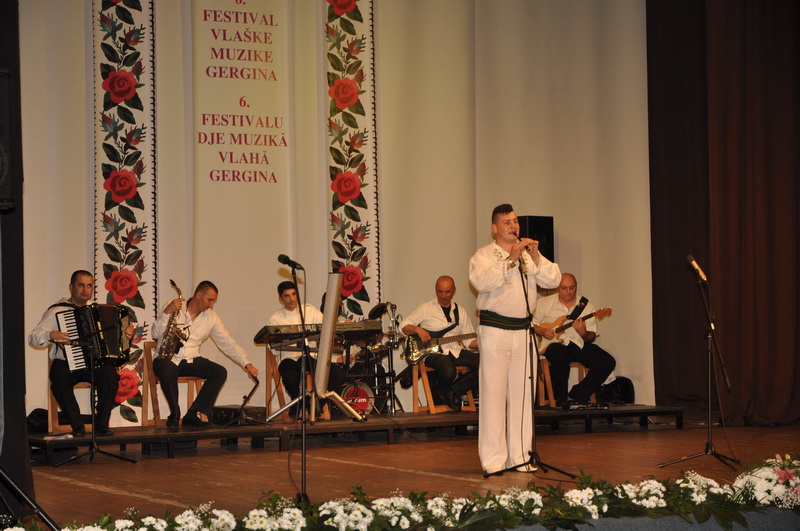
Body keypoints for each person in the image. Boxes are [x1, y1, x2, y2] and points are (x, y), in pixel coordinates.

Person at [469, 203, 561, 475]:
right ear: (494, 228)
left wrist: (536, 256)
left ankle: (521, 456)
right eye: (506, 222)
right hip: (495, 331)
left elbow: (553, 280)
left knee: (522, 396)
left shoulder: (528, 255)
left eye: (515, 221)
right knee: (494, 397)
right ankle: (493, 460)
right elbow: (481, 283)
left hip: (523, 332)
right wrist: (510, 260)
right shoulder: (483, 255)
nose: (513, 226)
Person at [152, 280, 258, 428]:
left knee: (219, 372)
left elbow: (227, 342)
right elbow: (155, 334)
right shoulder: (173, 305)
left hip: (191, 359)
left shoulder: (211, 317)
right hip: (167, 358)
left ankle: (192, 415)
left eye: (213, 301)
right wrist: (167, 312)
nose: (211, 305)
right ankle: (175, 413)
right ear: (198, 295)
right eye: (210, 300)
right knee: (167, 370)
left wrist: (247, 363)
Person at [28, 270, 120, 436]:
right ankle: (77, 426)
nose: (85, 290)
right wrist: (50, 334)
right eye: (81, 285)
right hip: (66, 363)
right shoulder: (57, 311)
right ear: (71, 287)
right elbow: (33, 337)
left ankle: (102, 425)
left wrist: (125, 334)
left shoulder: (97, 311)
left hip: (93, 362)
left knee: (110, 375)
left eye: (89, 286)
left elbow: (112, 335)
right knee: (58, 379)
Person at [532, 273, 616, 408]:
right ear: (557, 288)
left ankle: (577, 395)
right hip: (552, 345)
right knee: (559, 354)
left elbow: (591, 337)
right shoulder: (544, 303)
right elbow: (531, 325)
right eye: (564, 288)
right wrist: (543, 331)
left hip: (577, 343)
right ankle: (561, 400)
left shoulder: (585, 306)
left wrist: (583, 333)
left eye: (572, 288)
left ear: (576, 286)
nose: (568, 291)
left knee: (607, 361)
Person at [400, 275, 479, 411]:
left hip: (454, 350)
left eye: (447, 292)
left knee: (485, 365)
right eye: (440, 291)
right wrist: (418, 329)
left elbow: (469, 342)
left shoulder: (460, 311)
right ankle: (448, 392)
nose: (443, 296)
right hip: (433, 353)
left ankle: (452, 390)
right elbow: (403, 326)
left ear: (454, 291)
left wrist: (485, 342)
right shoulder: (426, 308)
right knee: (449, 372)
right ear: (435, 290)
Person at [266, 281, 345, 411]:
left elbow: (327, 324)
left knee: (338, 374)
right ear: (281, 299)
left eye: (294, 294)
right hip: (289, 358)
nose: (292, 299)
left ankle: (316, 403)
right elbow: (273, 347)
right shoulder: (275, 319)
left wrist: (344, 324)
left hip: (311, 356)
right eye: (287, 296)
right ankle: (300, 405)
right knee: (291, 377)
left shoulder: (310, 311)